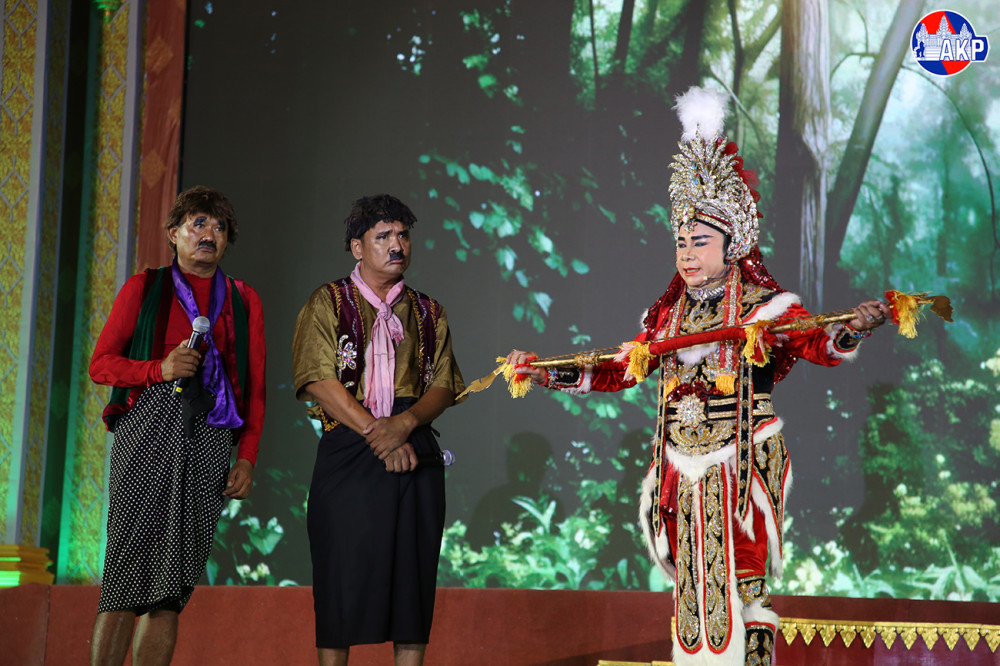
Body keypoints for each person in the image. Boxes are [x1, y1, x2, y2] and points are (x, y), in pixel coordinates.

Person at [507, 88, 890, 666]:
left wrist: (852, 329)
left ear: (732, 245)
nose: (687, 253)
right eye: (681, 242)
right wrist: (543, 373)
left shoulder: (764, 308)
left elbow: (816, 342)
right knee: (692, 590)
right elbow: (618, 369)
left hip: (741, 463)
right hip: (679, 467)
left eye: (701, 241)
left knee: (746, 586)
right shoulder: (666, 318)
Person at [88, 185, 266, 665]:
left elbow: (254, 389)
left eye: (219, 227)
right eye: (198, 224)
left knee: (171, 587)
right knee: (124, 577)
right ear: (173, 234)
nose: (209, 234)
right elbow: (101, 364)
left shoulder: (244, 299)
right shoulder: (145, 287)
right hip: (147, 428)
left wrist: (247, 457)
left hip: (211, 437)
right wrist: (158, 369)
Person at [292, 194, 465, 666]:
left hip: (414, 441)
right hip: (350, 440)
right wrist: (378, 433)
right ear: (357, 247)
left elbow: (445, 385)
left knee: (413, 581)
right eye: (383, 236)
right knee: (340, 577)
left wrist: (404, 425)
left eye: (403, 235)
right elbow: (316, 379)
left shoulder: (428, 310)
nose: (396, 245)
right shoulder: (328, 301)